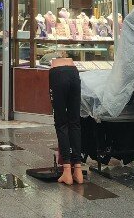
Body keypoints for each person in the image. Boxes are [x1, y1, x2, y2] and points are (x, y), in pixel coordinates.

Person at [48, 54, 83, 186]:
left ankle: (67, 171)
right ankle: (78, 170)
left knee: (61, 122)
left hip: (57, 74)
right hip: (73, 71)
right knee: (75, 122)